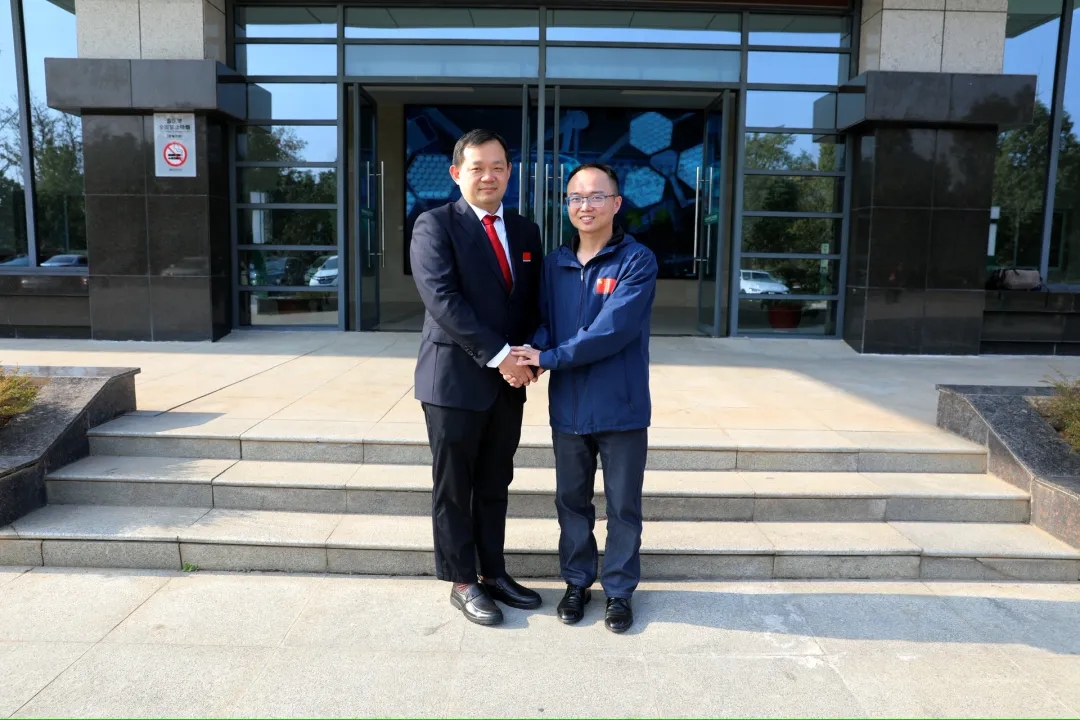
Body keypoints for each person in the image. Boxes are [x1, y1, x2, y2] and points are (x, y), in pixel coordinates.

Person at [512, 163, 658, 633]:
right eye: (576, 197)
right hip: (569, 408)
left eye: (596, 196)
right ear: (567, 206)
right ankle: (577, 583)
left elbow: (611, 331)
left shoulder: (636, 261)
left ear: (616, 203)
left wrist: (549, 357)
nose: (585, 206)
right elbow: (544, 321)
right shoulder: (554, 263)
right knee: (571, 503)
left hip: (621, 407)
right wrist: (532, 356)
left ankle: (619, 592)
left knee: (623, 507)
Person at [410, 129, 544, 626]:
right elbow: (442, 300)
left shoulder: (526, 231)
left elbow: (532, 302)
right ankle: (462, 580)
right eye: (477, 167)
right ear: (456, 173)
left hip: (508, 385)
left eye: (498, 166)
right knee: (454, 487)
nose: (489, 176)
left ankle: (494, 572)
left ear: (509, 172)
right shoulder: (435, 225)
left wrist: (531, 357)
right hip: (453, 382)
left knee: (495, 482)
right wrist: (501, 356)